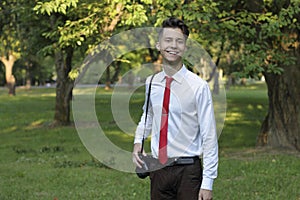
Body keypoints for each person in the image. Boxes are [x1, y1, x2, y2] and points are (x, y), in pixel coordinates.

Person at [132, 17, 218, 200]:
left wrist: (208, 182)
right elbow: (147, 117)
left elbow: (209, 135)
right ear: (158, 44)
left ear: (185, 47)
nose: (173, 45)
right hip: (158, 171)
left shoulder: (198, 87)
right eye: (168, 40)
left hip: (188, 172)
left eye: (179, 41)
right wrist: (138, 143)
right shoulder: (152, 82)